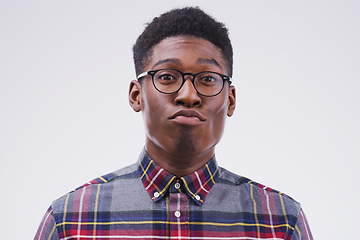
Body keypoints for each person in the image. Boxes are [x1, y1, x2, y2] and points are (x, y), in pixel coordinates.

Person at [34, 7, 313, 240]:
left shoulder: (281, 221)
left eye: (208, 79)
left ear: (230, 99)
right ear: (136, 95)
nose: (189, 95)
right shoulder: (70, 220)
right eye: (168, 77)